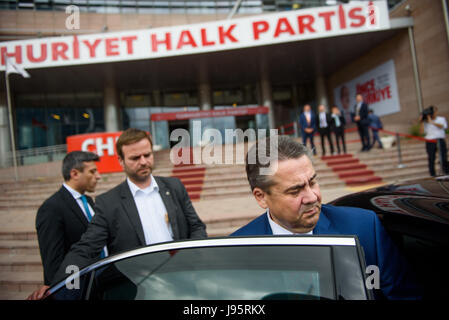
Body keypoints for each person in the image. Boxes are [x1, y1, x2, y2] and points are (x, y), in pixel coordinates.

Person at [231, 135, 422, 300]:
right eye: (295, 190)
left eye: (312, 182)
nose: (312, 197)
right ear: (261, 197)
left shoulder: (364, 228)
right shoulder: (235, 252)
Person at [51, 128, 207, 286]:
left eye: (147, 155)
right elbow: (86, 248)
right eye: (135, 158)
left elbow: (197, 227)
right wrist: (55, 285)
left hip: (183, 281)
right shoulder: (108, 203)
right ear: (121, 161)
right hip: (138, 289)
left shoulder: (174, 187)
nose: (143, 161)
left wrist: (188, 259)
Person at [28, 151, 103, 300]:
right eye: (92, 171)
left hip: (98, 281)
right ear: (75, 174)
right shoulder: (52, 207)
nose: (98, 176)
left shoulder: (89, 201)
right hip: (76, 288)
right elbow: (53, 258)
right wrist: (62, 290)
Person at [419, 106, 449, 177]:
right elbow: (421, 132)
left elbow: (443, 126)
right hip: (430, 141)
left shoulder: (441, 119)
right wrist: (421, 122)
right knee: (431, 158)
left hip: (440, 139)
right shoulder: (425, 122)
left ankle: (447, 172)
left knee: (444, 157)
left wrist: (432, 122)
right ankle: (433, 174)